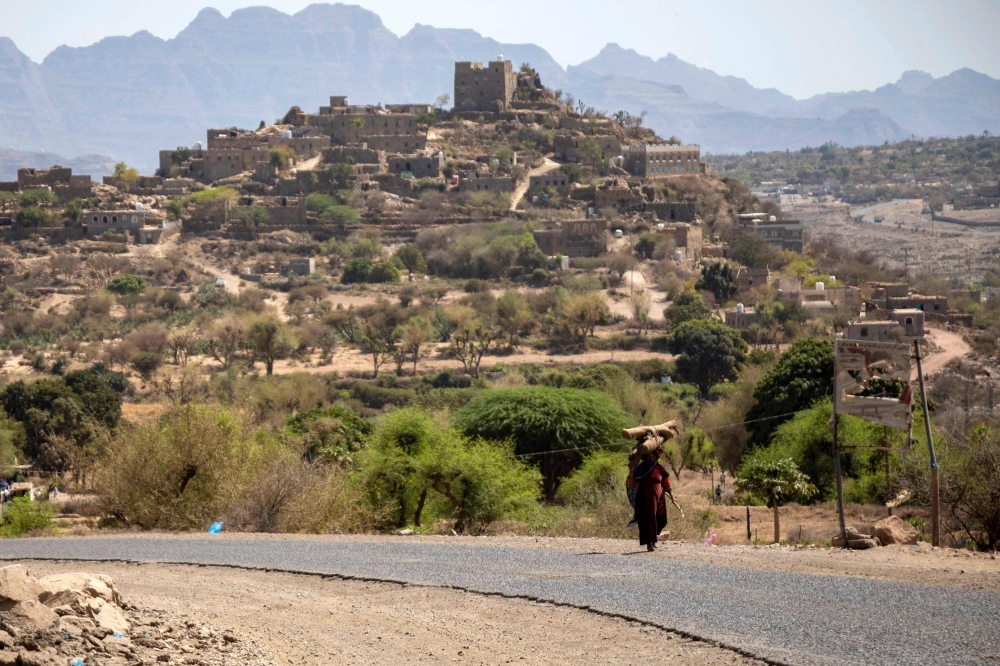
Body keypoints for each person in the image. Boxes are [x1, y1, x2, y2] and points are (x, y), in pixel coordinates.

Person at [631, 448, 682, 551]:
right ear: (645, 458)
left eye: (653, 457)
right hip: (644, 498)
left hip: (659, 498)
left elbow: (666, 482)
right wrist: (631, 473)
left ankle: (654, 536)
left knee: (662, 519)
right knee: (648, 520)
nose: (651, 459)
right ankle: (650, 542)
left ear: (656, 457)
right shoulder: (641, 468)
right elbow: (633, 482)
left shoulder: (659, 468)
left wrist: (671, 495)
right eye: (649, 457)